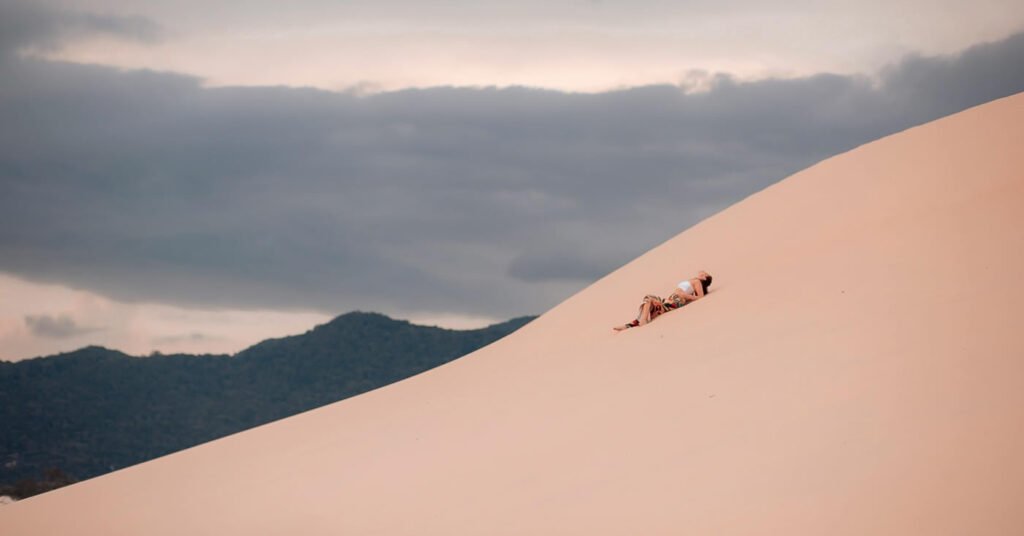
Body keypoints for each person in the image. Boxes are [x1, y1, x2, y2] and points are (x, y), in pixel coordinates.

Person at [613, 271, 712, 331]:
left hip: (678, 300)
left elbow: (701, 297)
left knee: (650, 300)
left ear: (704, 279)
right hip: (670, 298)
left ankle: (640, 322)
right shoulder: (693, 279)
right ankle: (634, 323)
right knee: (649, 300)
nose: (702, 273)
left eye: (705, 274)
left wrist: (685, 296)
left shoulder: (697, 282)